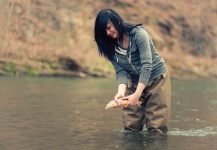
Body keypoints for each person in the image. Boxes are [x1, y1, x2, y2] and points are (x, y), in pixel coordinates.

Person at [94, 8, 171, 134]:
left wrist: (137, 95)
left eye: (109, 27)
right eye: (104, 31)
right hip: (133, 80)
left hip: (157, 78)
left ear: (116, 21)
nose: (108, 33)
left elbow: (147, 65)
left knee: (157, 127)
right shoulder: (109, 46)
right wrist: (121, 93)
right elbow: (121, 71)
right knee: (131, 127)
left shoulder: (139, 34)